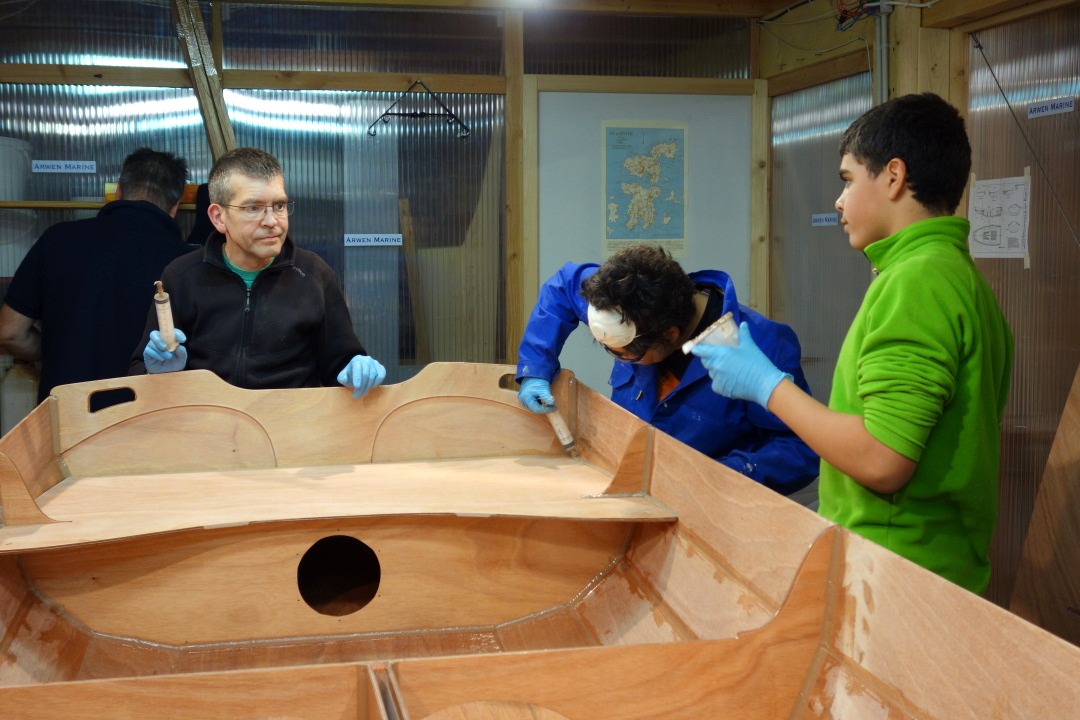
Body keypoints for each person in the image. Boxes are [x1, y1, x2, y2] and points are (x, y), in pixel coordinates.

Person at [690, 93, 1013, 595]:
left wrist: (766, 385)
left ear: (893, 176)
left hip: (897, 572)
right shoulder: (955, 275)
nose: (839, 201)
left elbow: (883, 459)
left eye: (847, 179)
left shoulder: (918, 282)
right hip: (932, 565)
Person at [516, 243, 819, 496]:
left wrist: (723, 475)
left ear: (670, 335)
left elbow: (801, 450)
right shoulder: (619, 298)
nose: (619, 360)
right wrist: (536, 368)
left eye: (627, 356)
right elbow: (563, 285)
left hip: (707, 505)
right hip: (631, 485)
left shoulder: (760, 346)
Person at [129, 147, 384, 398]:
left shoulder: (314, 275)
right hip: (208, 429)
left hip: (291, 430)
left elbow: (340, 365)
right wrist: (156, 374)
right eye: (253, 208)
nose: (272, 221)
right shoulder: (181, 276)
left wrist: (354, 369)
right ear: (219, 217)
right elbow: (140, 375)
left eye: (280, 206)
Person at [0, 147, 194, 407]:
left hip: (66, 419)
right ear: (175, 208)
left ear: (117, 194)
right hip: (147, 421)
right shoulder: (187, 262)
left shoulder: (58, 240)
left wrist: (58, 349)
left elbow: (10, 332)